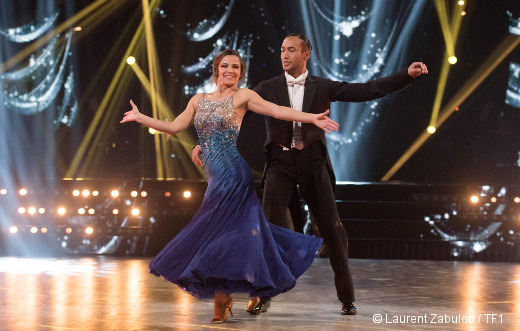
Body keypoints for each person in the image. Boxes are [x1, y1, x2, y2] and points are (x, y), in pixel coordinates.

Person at [192, 33, 428, 315]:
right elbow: (232, 112)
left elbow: (366, 90)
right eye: (282, 50)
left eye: (291, 50)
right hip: (280, 163)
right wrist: (204, 141)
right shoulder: (267, 87)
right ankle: (262, 294)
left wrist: (406, 76)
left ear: (306, 54)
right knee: (268, 228)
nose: (284, 55)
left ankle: (347, 298)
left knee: (333, 229)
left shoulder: (323, 87)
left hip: (313, 161)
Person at [120, 49, 339, 323]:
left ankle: (223, 300)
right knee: (236, 235)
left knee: (220, 235)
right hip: (215, 178)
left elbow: (277, 110)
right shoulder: (199, 100)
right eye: (225, 66)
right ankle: (251, 286)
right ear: (216, 69)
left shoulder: (243, 96)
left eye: (236, 67)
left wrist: (312, 118)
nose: (230, 71)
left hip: (234, 176)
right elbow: (175, 127)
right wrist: (141, 118)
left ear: (241, 72)